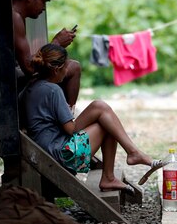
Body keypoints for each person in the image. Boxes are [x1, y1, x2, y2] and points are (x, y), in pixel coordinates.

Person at [19, 43, 165, 192]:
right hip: (61, 156)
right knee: (101, 110)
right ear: (57, 69)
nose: (67, 70)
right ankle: (130, 157)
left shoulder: (31, 87)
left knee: (105, 118)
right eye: (66, 67)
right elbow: (70, 129)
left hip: (45, 152)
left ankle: (120, 166)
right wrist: (90, 113)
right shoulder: (53, 90)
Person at [12, 0, 82, 112]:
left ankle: (65, 120)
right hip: (12, 88)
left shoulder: (18, 16)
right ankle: (67, 122)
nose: (44, 8)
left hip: (16, 80)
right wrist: (56, 43)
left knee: (67, 66)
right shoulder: (15, 17)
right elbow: (29, 69)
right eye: (43, 1)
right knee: (73, 68)